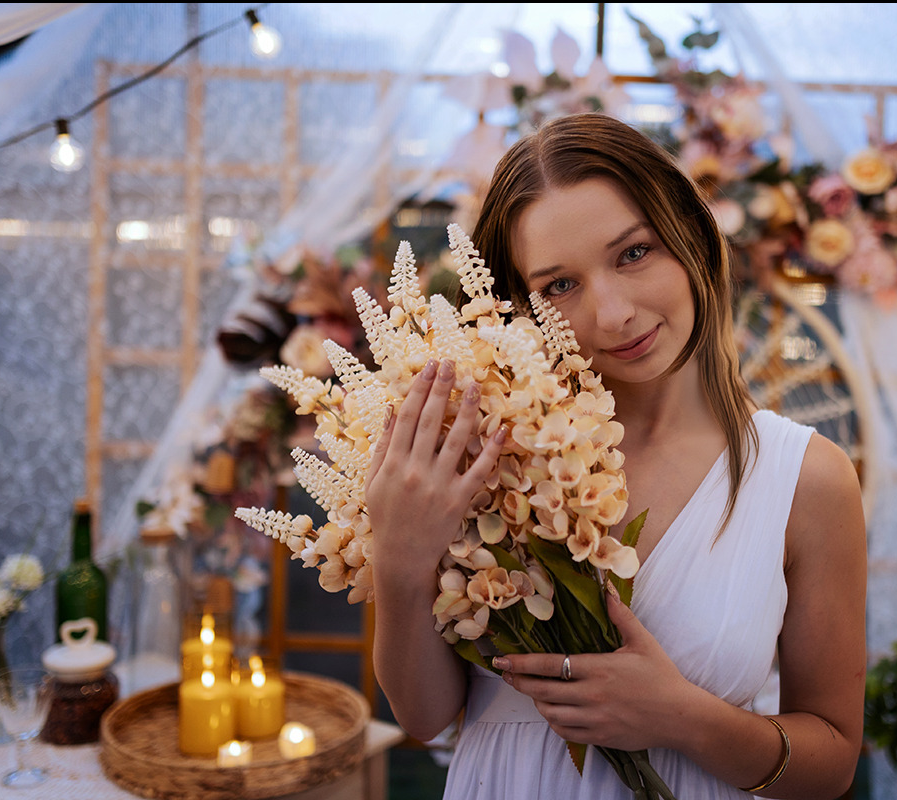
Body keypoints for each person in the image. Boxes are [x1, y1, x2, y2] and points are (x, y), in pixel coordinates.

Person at [365, 112, 867, 799]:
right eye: (558, 287)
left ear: (689, 230)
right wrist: (399, 561)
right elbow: (424, 717)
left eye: (633, 253)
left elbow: (834, 762)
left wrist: (682, 718)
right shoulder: (487, 451)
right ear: (516, 306)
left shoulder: (806, 479)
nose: (613, 314)